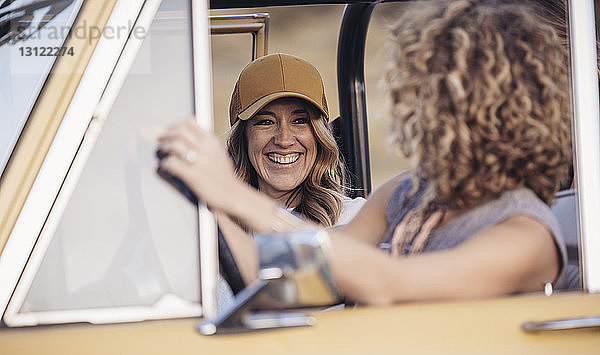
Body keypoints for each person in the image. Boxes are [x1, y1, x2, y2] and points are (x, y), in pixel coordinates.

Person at [157, 0, 574, 305]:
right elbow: (302, 278)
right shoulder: (407, 193)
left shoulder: (528, 237)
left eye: (441, 94)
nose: (417, 107)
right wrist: (208, 199)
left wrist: (234, 195)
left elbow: (385, 282)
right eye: (420, 90)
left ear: (506, 112)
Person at [226, 53, 365, 227]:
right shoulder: (208, 224)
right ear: (243, 137)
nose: (284, 140)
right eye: (266, 122)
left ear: (319, 136)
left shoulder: (356, 219)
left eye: (300, 121)